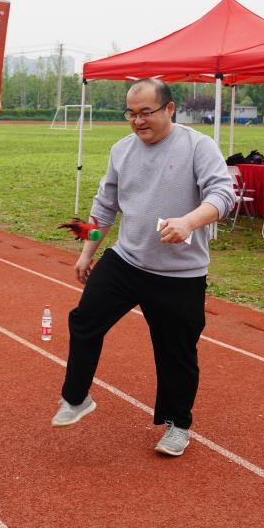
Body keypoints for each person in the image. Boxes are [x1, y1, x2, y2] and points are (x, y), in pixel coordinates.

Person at [51, 78, 234, 457]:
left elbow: (223, 195)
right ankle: (76, 397)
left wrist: (189, 222)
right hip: (127, 260)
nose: (137, 121)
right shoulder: (122, 150)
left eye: (146, 112)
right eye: (131, 114)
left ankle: (178, 424)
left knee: (175, 352)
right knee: (84, 320)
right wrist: (87, 252)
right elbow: (105, 207)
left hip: (179, 274)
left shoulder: (197, 146)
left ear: (170, 109)